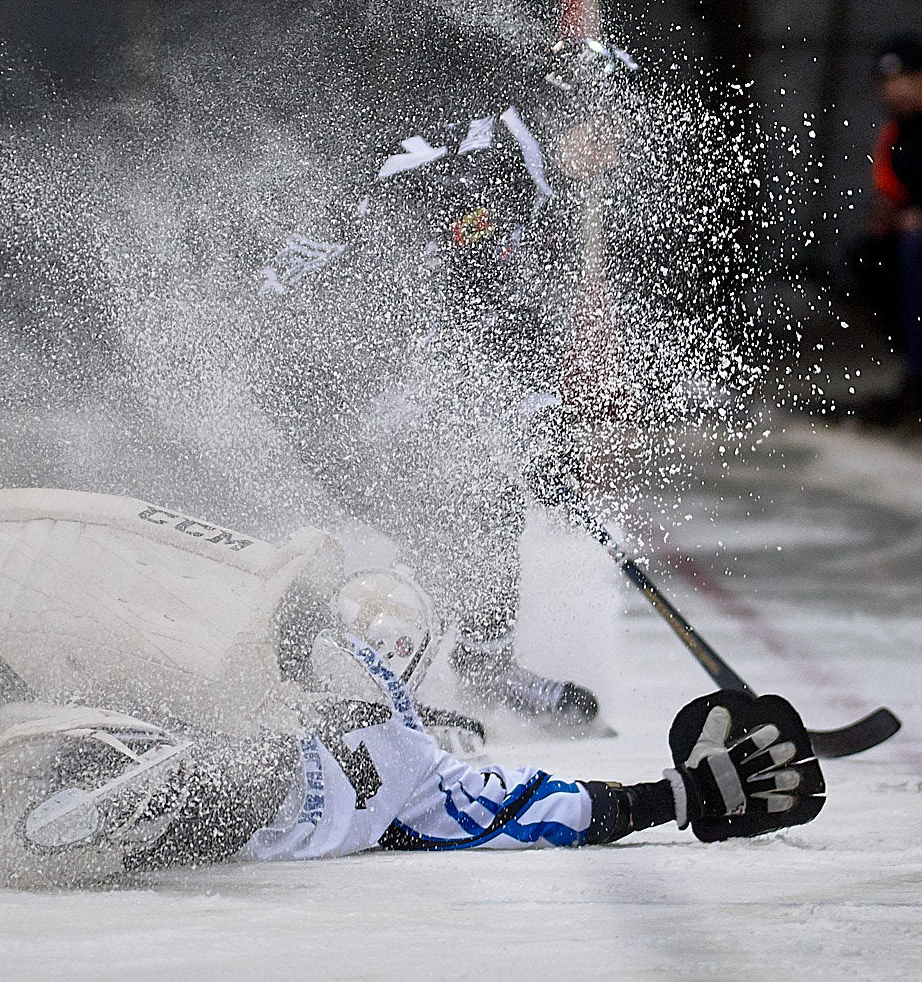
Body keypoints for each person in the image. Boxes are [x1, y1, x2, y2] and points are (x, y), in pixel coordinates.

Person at [0, 462, 825, 887]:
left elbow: (556, 805)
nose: (368, 629)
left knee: (238, 773)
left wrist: (677, 791)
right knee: (44, 627)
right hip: (135, 718)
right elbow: (193, 599)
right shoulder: (279, 641)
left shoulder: (425, 767)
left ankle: (101, 799)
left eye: (388, 630)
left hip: (232, 801)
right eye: (361, 615)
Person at [251, 38, 639, 729]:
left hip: (349, 356)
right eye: (602, 119)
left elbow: (481, 307)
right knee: (452, 503)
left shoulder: (513, 157)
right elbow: (463, 305)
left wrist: (536, 418)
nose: (614, 140)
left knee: (471, 499)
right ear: (561, 112)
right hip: (317, 366)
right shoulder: (491, 173)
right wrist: (538, 416)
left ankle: (478, 672)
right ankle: (384, 702)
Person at [849, 35, 922, 425]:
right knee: (868, 256)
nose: (895, 91)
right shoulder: (899, 133)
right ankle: (914, 369)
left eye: (905, 79)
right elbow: (890, 194)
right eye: (887, 83)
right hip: (916, 238)